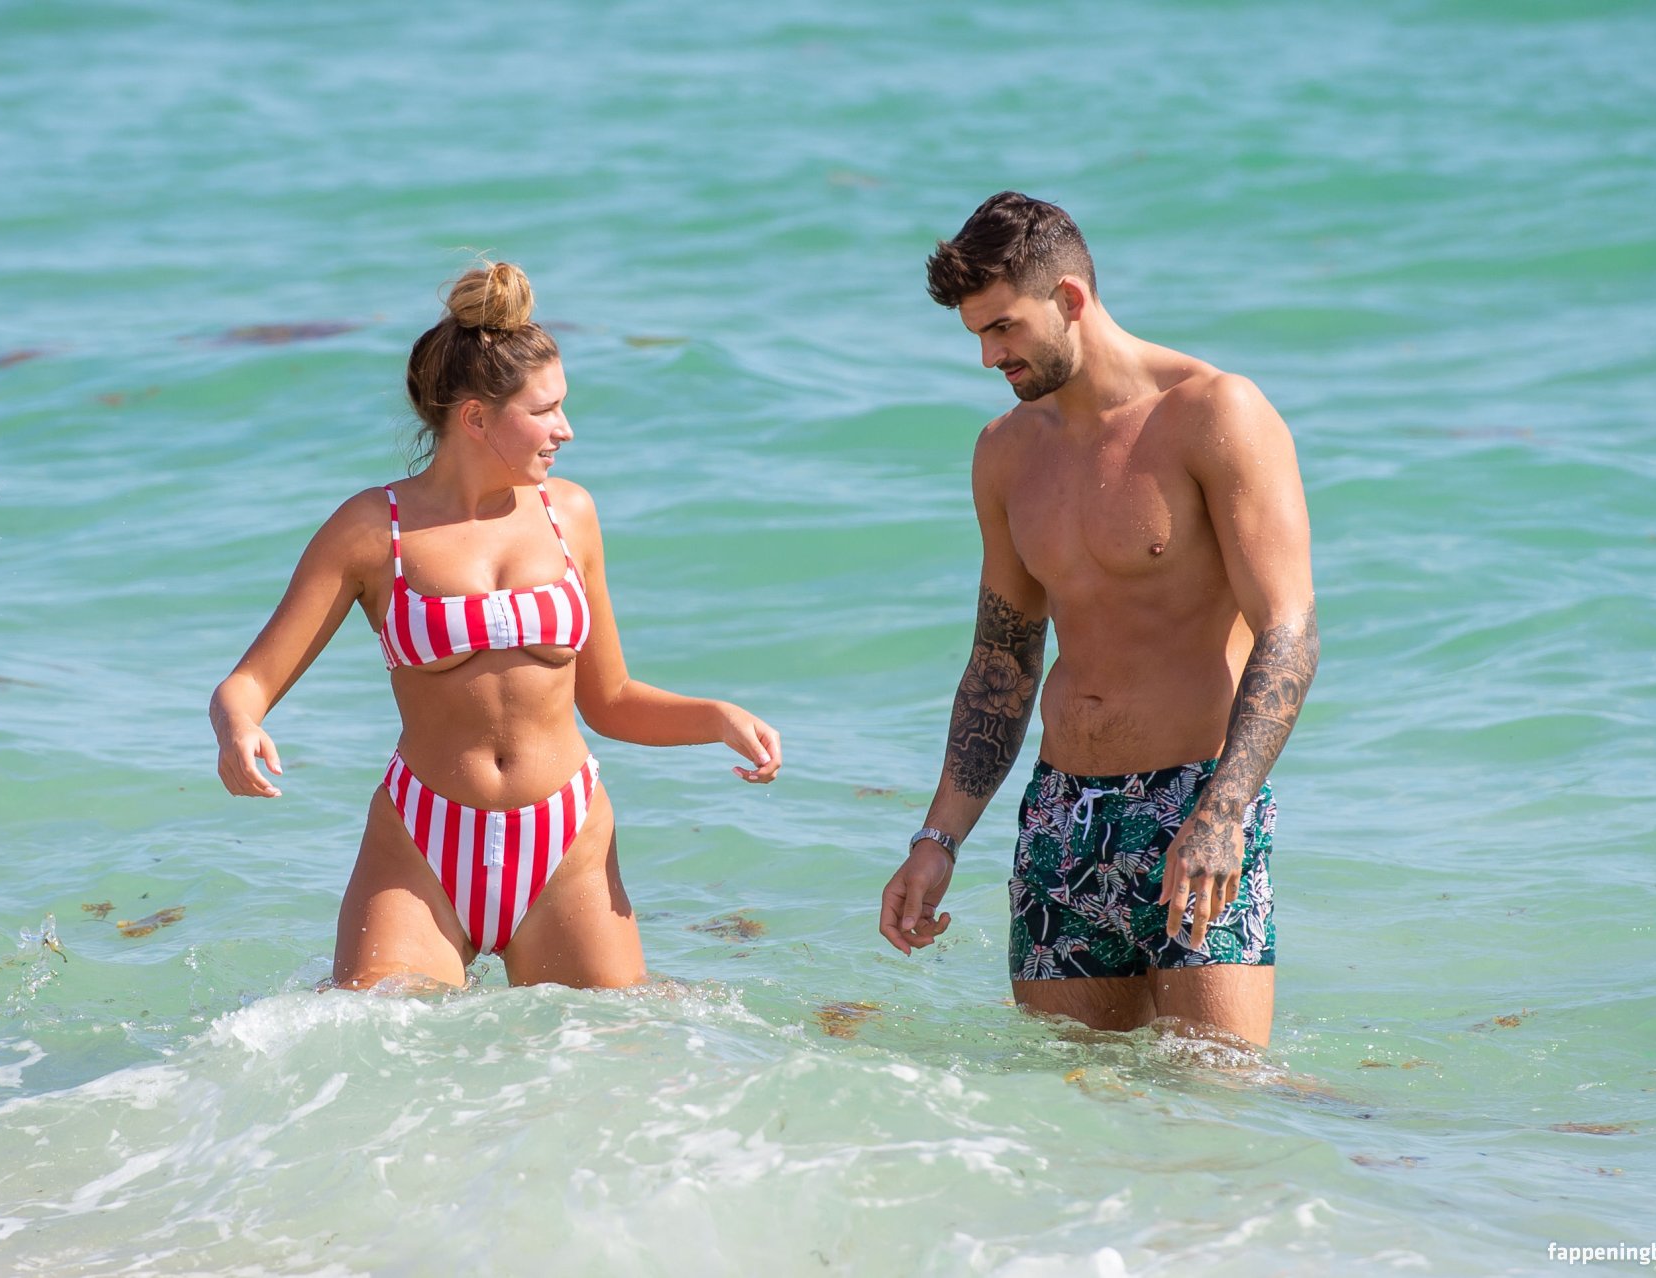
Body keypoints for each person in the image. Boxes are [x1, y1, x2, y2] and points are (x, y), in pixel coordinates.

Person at [211, 260, 781, 991]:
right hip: (421, 846)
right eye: (545, 411)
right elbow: (248, 684)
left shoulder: (570, 515)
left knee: (620, 1048)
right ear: (477, 418)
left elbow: (609, 702)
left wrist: (717, 717)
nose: (565, 430)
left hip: (567, 841)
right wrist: (238, 728)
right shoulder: (372, 531)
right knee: (374, 1043)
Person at [878, 193, 1316, 1046]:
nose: (987, 356)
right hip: (1062, 815)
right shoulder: (1005, 452)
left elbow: (1288, 628)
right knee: (1070, 1096)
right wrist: (939, 839)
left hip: (1193, 802)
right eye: (976, 335)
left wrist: (1224, 810)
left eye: (1002, 328)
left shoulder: (1214, 413)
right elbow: (1001, 663)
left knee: (1215, 1093)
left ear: (1070, 298)